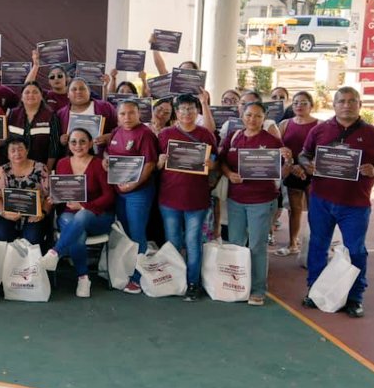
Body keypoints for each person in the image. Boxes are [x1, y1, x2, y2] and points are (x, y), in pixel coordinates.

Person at [299, 87, 374, 317]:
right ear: (334, 105)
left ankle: (355, 297)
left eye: (352, 101)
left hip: (356, 204)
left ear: (360, 105)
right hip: (321, 200)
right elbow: (304, 154)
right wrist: (307, 165)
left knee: (356, 250)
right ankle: (315, 290)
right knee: (318, 245)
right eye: (342, 101)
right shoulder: (320, 130)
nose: (347, 105)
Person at [219, 101, 288, 307]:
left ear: (264, 118)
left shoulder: (272, 141)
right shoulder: (234, 137)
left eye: (258, 116)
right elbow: (222, 162)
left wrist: (289, 159)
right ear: (242, 115)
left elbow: (282, 170)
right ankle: (237, 285)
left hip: (261, 200)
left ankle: (258, 289)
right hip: (236, 199)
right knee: (236, 243)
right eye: (249, 115)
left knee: (257, 245)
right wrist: (229, 174)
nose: (252, 119)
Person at [39, 128, 116, 298]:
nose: (78, 145)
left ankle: (55, 252)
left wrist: (83, 206)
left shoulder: (99, 164)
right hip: (69, 215)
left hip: (98, 217)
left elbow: (109, 196)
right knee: (78, 233)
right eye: (73, 141)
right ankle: (83, 279)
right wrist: (55, 197)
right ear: (68, 144)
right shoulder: (62, 163)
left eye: (83, 141)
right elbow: (63, 192)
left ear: (90, 143)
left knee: (83, 214)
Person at [156, 94, 218, 300]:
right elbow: (155, 164)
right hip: (169, 197)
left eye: (191, 108)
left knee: (193, 242)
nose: (186, 113)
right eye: (182, 109)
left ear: (197, 111)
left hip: (196, 198)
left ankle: (193, 283)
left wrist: (211, 164)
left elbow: (215, 161)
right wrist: (160, 160)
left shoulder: (205, 134)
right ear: (176, 112)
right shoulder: (165, 134)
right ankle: (175, 281)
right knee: (172, 241)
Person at [105, 100, 159, 294]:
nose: (127, 117)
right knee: (126, 233)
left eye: (131, 113)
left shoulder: (145, 134)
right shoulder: (116, 132)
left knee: (137, 234)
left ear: (138, 114)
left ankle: (137, 277)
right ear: (117, 116)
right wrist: (105, 161)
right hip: (120, 192)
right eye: (122, 114)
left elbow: (150, 164)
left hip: (138, 192)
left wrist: (133, 185)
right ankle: (126, 270)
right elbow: (108, 154)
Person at [275, 90, 318, 256]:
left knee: (315, 210)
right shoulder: (285, 124)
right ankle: (293, 243)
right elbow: (278, 148)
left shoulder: (320, 125)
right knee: (294, 209)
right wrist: (292, 166)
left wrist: (308, 166)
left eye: (304, 103)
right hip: (292, 170)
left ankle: (314, 244)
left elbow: (323, 150)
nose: (299, 106)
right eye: (296, 103)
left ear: (311, 106)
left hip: (312, 172)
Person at [0, 136, 51, 245]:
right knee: (0, 235)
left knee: (33, 239)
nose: (17, 153)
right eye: (13, 150)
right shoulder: (2, 170)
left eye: (20, 149)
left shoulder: (41, 168)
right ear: (8, 154)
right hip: (8, 214)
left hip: (35, 215)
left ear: (27, 151)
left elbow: (50, 196)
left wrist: (43, 213)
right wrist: (3, 213)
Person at [7, 81, 60, 169]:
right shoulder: (12, 114)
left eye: (35, 92)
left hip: (40, 167)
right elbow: (7, 141)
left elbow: (54, 147)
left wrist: (47, 169)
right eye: (27, 92)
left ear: (41, 96)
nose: (31, 95)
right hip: (15, 167)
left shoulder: (50, 116)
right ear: (21, 97)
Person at [57, 78, 118, 147]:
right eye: (74, 89)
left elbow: (121, 131)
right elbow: (54, 140)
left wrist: (109, 137)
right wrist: (61, 140)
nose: (78, 92)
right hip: (72, 153)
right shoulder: (61, 114)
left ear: (89, 91)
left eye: (82, 88)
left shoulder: (105, 107)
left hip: (101, 152)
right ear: (68, 94)